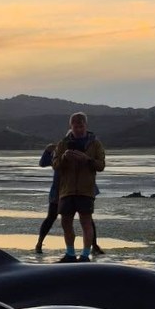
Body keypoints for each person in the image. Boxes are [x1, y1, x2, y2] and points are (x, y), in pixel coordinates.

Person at [51, 112, 106, 262]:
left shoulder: (95, 143)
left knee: (86, 221)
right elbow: (55, 165)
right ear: (71, 126)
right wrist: (64, 157)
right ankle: (70, 253)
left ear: (85, 126)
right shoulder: (63, 143)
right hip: (67, 190)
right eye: (75, 126)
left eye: (81, 126)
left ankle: (85, 255)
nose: (78, 129)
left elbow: (101, 165)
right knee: (65, 222)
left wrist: (87, 159)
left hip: (85, 190)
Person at [35, 143, 102, 255]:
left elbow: (95, 166)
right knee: (52, 217)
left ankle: (94, 245)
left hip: (81, 190)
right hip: (59, 191)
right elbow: (43, 163)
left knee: (87, 219)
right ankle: (39, 243)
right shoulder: (59, 150)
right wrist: (47, 151)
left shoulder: (87, 149)